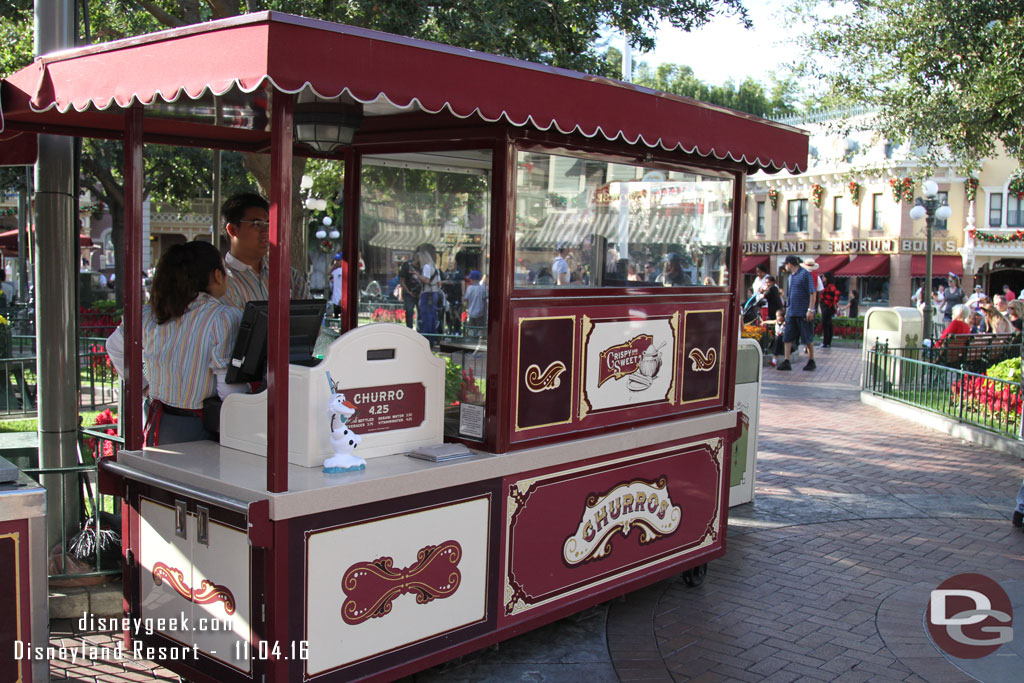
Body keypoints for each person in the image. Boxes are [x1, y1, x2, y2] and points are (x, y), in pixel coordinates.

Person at [106, 241, 245, 446]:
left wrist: (144, 385)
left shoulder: (149, 314)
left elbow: (114, 347)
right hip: (201, 430)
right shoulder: (223, 318)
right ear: (217, 275)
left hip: (158, 425)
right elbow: (229, 390)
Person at [220, 192, 310, 310]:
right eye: (256, 224)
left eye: (268, 224)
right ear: (232, 230)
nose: (266, 231)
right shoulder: (221, 282)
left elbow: (310, 319)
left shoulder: (288, 276)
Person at [777, 255, 816, 371]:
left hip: (803, 312)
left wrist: (810, 310)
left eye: (786, 264)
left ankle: (811, 360)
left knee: (807, 338)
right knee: (787, 336)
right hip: (792, 312)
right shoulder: (790, 277)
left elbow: (813, 293)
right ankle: (786, 360)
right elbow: (789, 295)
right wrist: (786, 310)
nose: (785, 266)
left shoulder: (805, 274)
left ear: (790, 263)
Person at [416, 243, 442, 334]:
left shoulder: (426, 267)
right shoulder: (435, 268)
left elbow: (426, 281)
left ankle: (427, 336)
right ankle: (432, 336)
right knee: (432, 315)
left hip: (427, 294)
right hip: (434, 293)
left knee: (426, 316)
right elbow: (439, 283)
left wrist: (418, 276)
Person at [398, 252, 422, 329]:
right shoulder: (407, 266)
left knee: (421, 313)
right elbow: (402, 280)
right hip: (409, 293)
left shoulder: (423, 267)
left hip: (420, 294)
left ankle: (420, 330)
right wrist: (408, 291)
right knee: (409, 311)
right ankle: (409, 329)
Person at [818, 273, 841, 349]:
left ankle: (826, 342)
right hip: (826, 307)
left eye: (824, 277)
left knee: (826, 325)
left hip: (827, 307)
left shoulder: (830, 286)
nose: (822, 278)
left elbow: (837, 293)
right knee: (828, 325)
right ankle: (827, 342)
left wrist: (834, 303)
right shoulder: (826, 286)